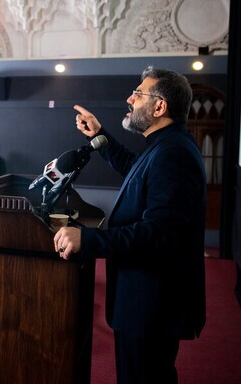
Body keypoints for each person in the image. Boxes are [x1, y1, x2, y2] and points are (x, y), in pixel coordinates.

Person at [54, 67, 206, 384]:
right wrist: (98, 135)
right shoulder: (165, 144)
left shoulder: (173, 153)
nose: (130, 98)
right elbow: (134, 170)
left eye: (138, 93)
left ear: (159, 106)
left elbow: (159, 234)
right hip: (147, 303)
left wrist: (88, 240)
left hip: (151, 306)